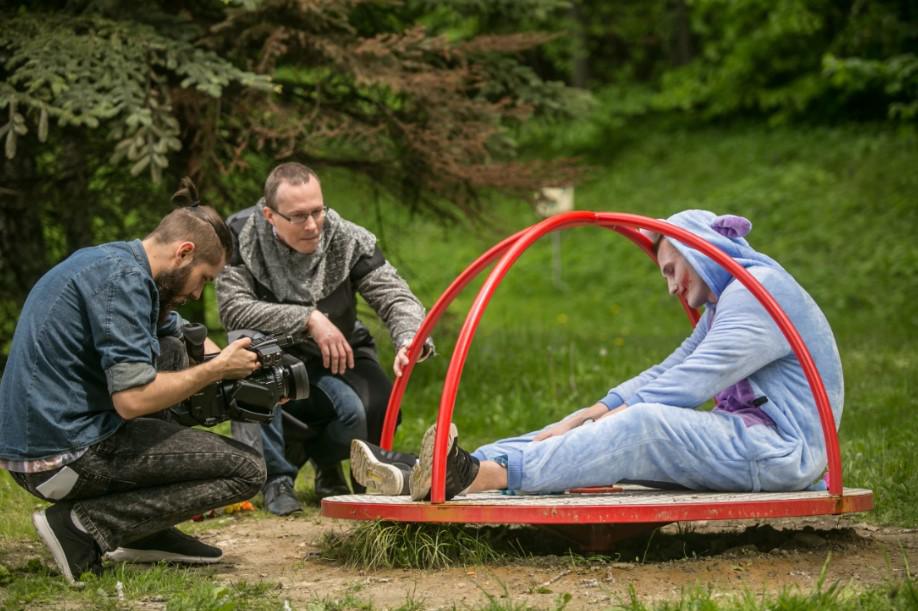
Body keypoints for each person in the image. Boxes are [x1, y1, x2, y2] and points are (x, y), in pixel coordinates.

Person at [349, 209, 844, 501]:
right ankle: (428, 468)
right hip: (749, 443)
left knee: (645, 423)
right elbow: (672, 364)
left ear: (702, 249)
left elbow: (693, 381)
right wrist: (596, 410)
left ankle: (479, 475)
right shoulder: (728, 301)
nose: (671, 286)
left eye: (672, 269)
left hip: (782, 453)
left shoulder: (759, 293)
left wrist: (609, 416)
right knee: (589, 426)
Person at [0, 180, 267, 584]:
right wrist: (215, 370)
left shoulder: (121, 265)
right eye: (204, 279)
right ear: (184, 252)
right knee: (247, 470)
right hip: (61, 457)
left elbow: (181, 332)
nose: (198, 293)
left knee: (174, 348)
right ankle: (84, 525)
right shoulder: (123, 285)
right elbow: (132, 400)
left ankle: (144, 530)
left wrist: (244, 370)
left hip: (44, 440)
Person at [216, 162, 431, 514]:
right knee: (249, 351)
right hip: (273, 357)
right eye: (299, 216)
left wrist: (410, 337)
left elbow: (395, 295)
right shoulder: (241, 234)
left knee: (373, 407)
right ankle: (277, 479)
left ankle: (333, 467)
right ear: (270, 215)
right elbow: (233, 309)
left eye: (318, 211)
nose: (313, 225)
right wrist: (309, 318)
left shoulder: (347, 237)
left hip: (337, 354)